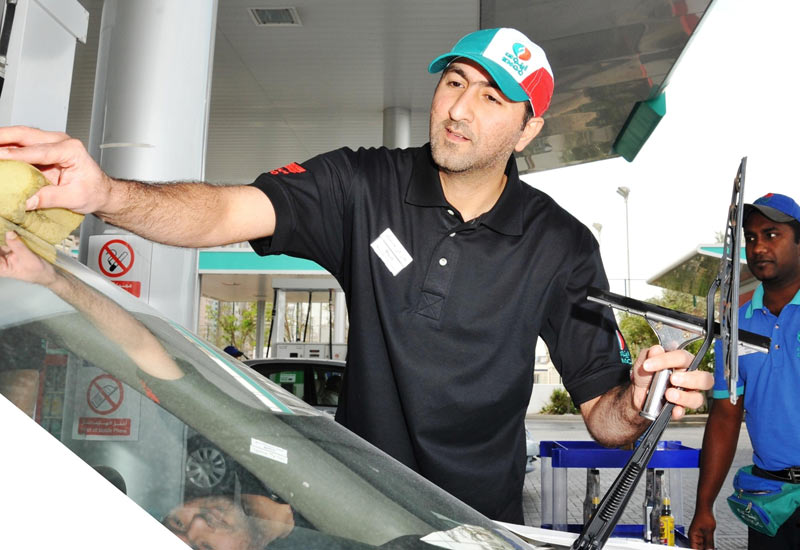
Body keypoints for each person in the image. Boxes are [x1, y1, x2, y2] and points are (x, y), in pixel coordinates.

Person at [0, 27, 711, 523]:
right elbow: (220, 212)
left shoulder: (559, 244)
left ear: (527, 131)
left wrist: (643, 399)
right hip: (353, 507)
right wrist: (105, 195)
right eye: (454, 82)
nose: (458, 110)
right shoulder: (362, 183)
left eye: (491, 99)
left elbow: (605, 416)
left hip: (476, 522)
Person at [688, 193, 800, 550]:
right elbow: (725, 416)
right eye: (750, 238)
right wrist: (704, 507)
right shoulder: (735, 327)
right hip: (770, 501)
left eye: (771, 234)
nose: (758, 247)